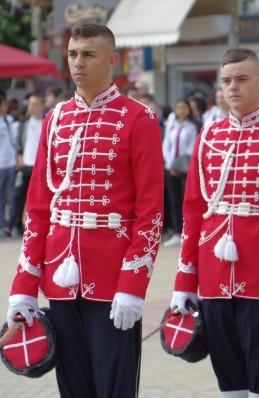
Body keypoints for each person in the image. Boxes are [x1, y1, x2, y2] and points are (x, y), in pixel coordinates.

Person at [6, 23, 164, 397]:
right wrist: (24, 286)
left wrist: (133, 284)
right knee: (73, 388)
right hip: (60, 278)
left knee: (114, 387)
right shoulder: (55, 119)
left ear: (112, 61)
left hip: (113, 281)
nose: (78, 62)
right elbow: (38, 210)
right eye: (73, 54)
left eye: (88, 54)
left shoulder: (137, 118)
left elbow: (151, 211)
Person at [170, 47, 259, 397]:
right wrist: (185, 280)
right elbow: (192, 212)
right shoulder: (208, 137)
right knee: (228, 378)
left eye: (242, 79)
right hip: (214, 275)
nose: (233, 87)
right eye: (227, 80)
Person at [6, 93, 45, 236]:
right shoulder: (23, 123)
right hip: (25, 165)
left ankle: (34, 227)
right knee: (17, 196)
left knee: (37, 199)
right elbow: (18, 144)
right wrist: (19, 159)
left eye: (35, 104)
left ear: (42, 106)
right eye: (30, 104)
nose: (31, 107)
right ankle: (12, 225)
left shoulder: (46, 122)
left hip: (40, 167)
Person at [162, 98, 198, 248]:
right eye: (179, 107)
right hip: (170, 168)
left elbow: (191, 147)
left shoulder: (191, 127)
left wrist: (180, 165)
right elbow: (166, 145)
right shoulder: (172, 125)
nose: (181, 111)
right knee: (174, 200)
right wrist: (171, 164)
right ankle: (176, 232)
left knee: (185, 200)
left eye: (184, 108)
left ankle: (187, 231)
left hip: (185, 169)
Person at [0, 92, 16, 238]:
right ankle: (2, 224)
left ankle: (11, 224)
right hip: (0, 165)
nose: (5, 107)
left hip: (10, 164)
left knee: (11, 197)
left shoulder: (7, 120)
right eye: (4, 104)